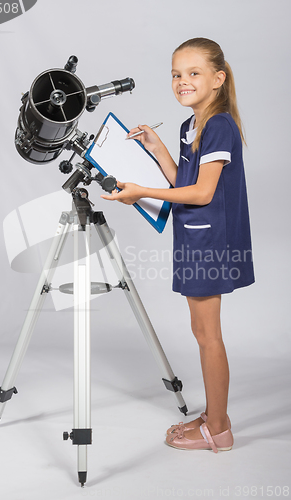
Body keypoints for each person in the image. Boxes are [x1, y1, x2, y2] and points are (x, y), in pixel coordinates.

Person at [101, 37, 254, 452]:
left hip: (210, 242)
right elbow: (182, 182)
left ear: (218, 79)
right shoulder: (191, 125)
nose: (182, 81)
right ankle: (214, 413)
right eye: (175, 74)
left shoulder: (219, 124)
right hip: (192, 238)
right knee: (200, 330)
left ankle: (218, 429)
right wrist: (158, 147)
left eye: (193, 73)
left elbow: (203, 193)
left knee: (208, 335)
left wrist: (140, 191)